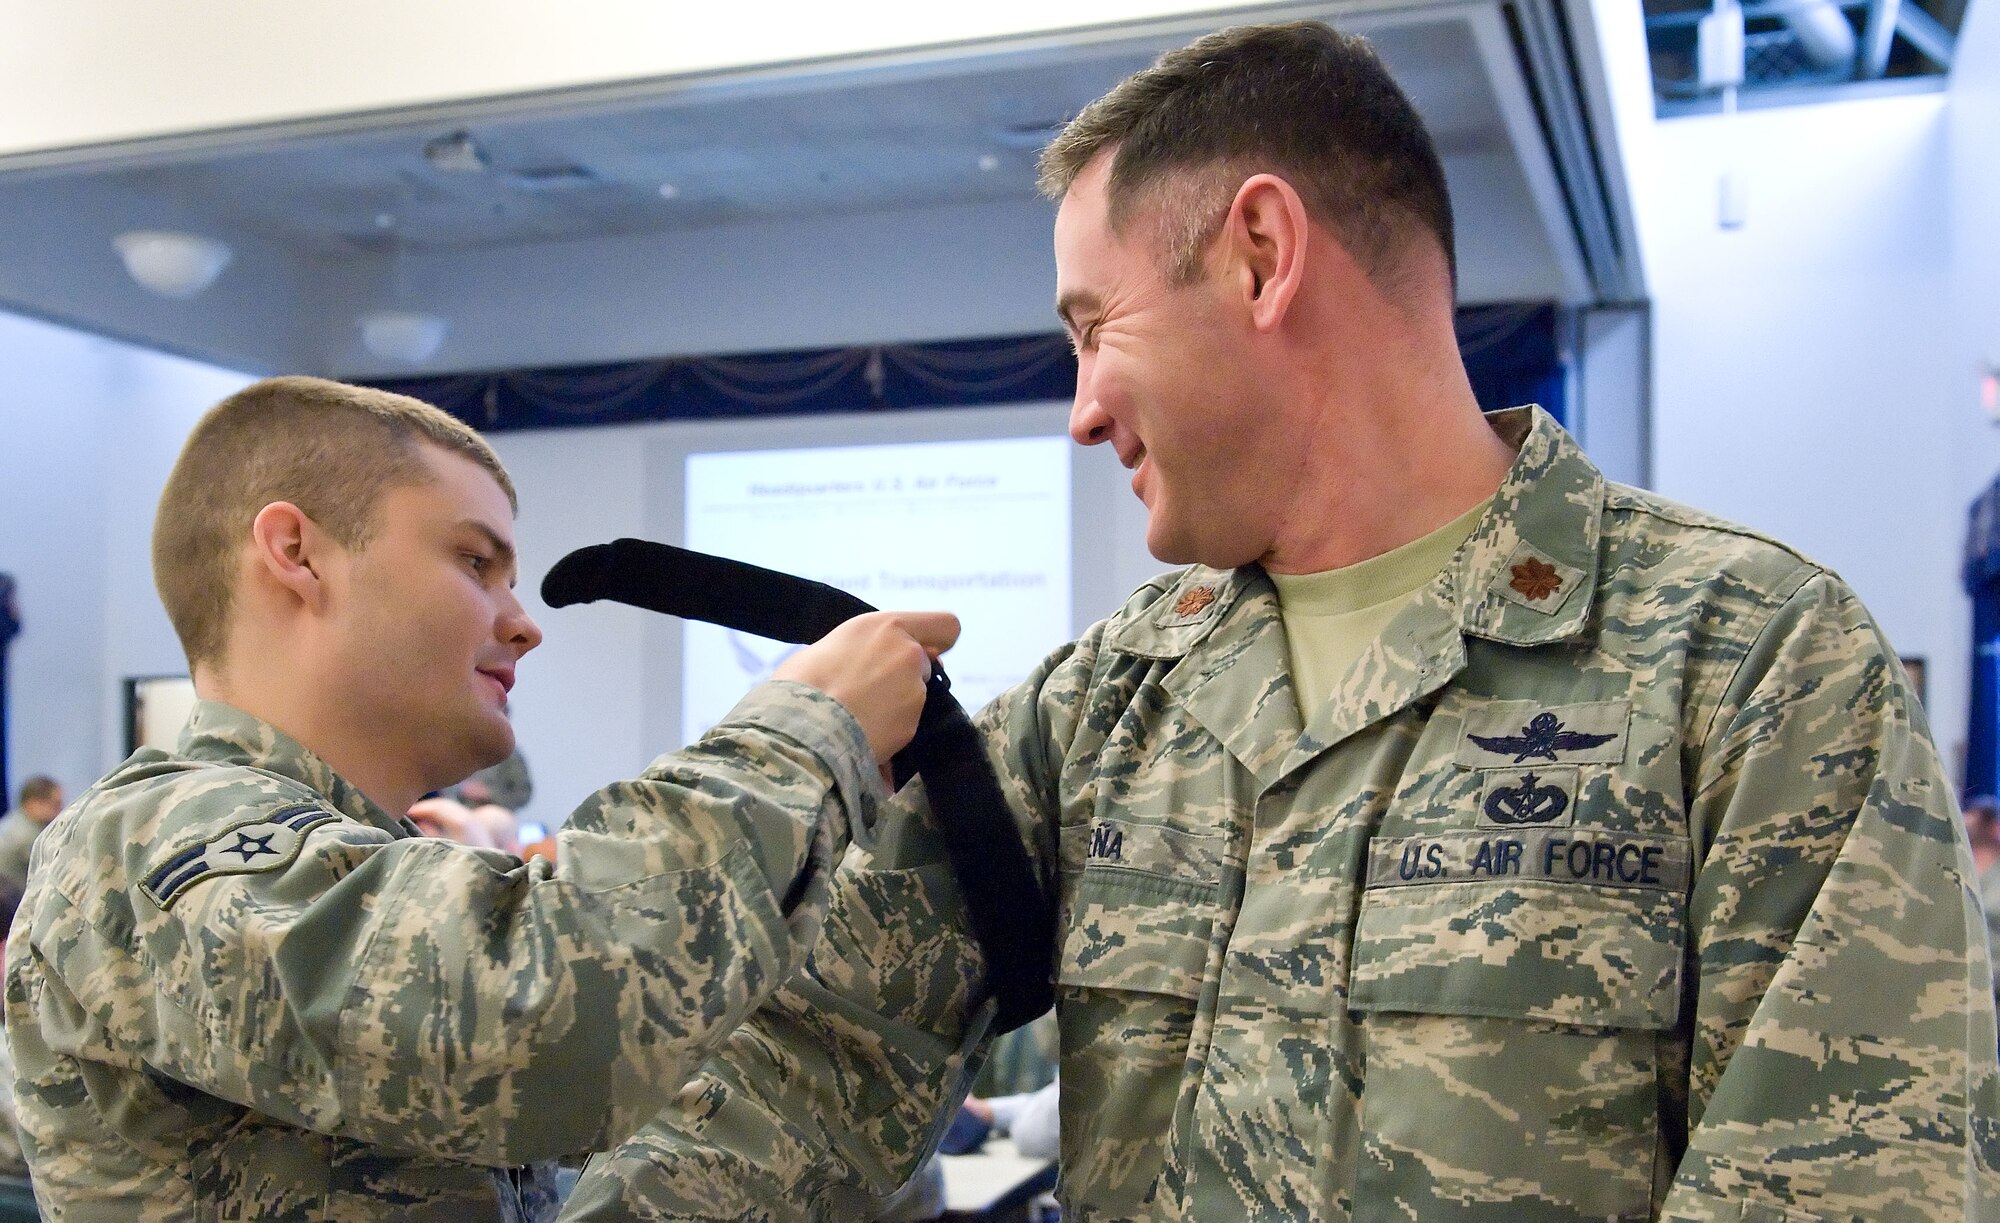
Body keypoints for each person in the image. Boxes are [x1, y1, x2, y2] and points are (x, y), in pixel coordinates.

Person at [561, 19, 1999, 1222]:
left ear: (1259, 251)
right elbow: (807, 1073)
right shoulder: (1105, 702)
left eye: (1090, 324)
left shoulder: (1747, 662)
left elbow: (1844, 1178)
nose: (1079, 411)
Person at [3, 375, 958, 1220]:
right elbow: (543, 1015)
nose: (522, 622)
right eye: (474, 562)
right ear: (296, 551)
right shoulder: (144, 842)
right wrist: (807, 729)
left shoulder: (369, 864)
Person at [0, 774, 62, 894]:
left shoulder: (10, 823)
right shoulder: (28, 837)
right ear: (34, 804)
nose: (60, 812)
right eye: (55, 805)